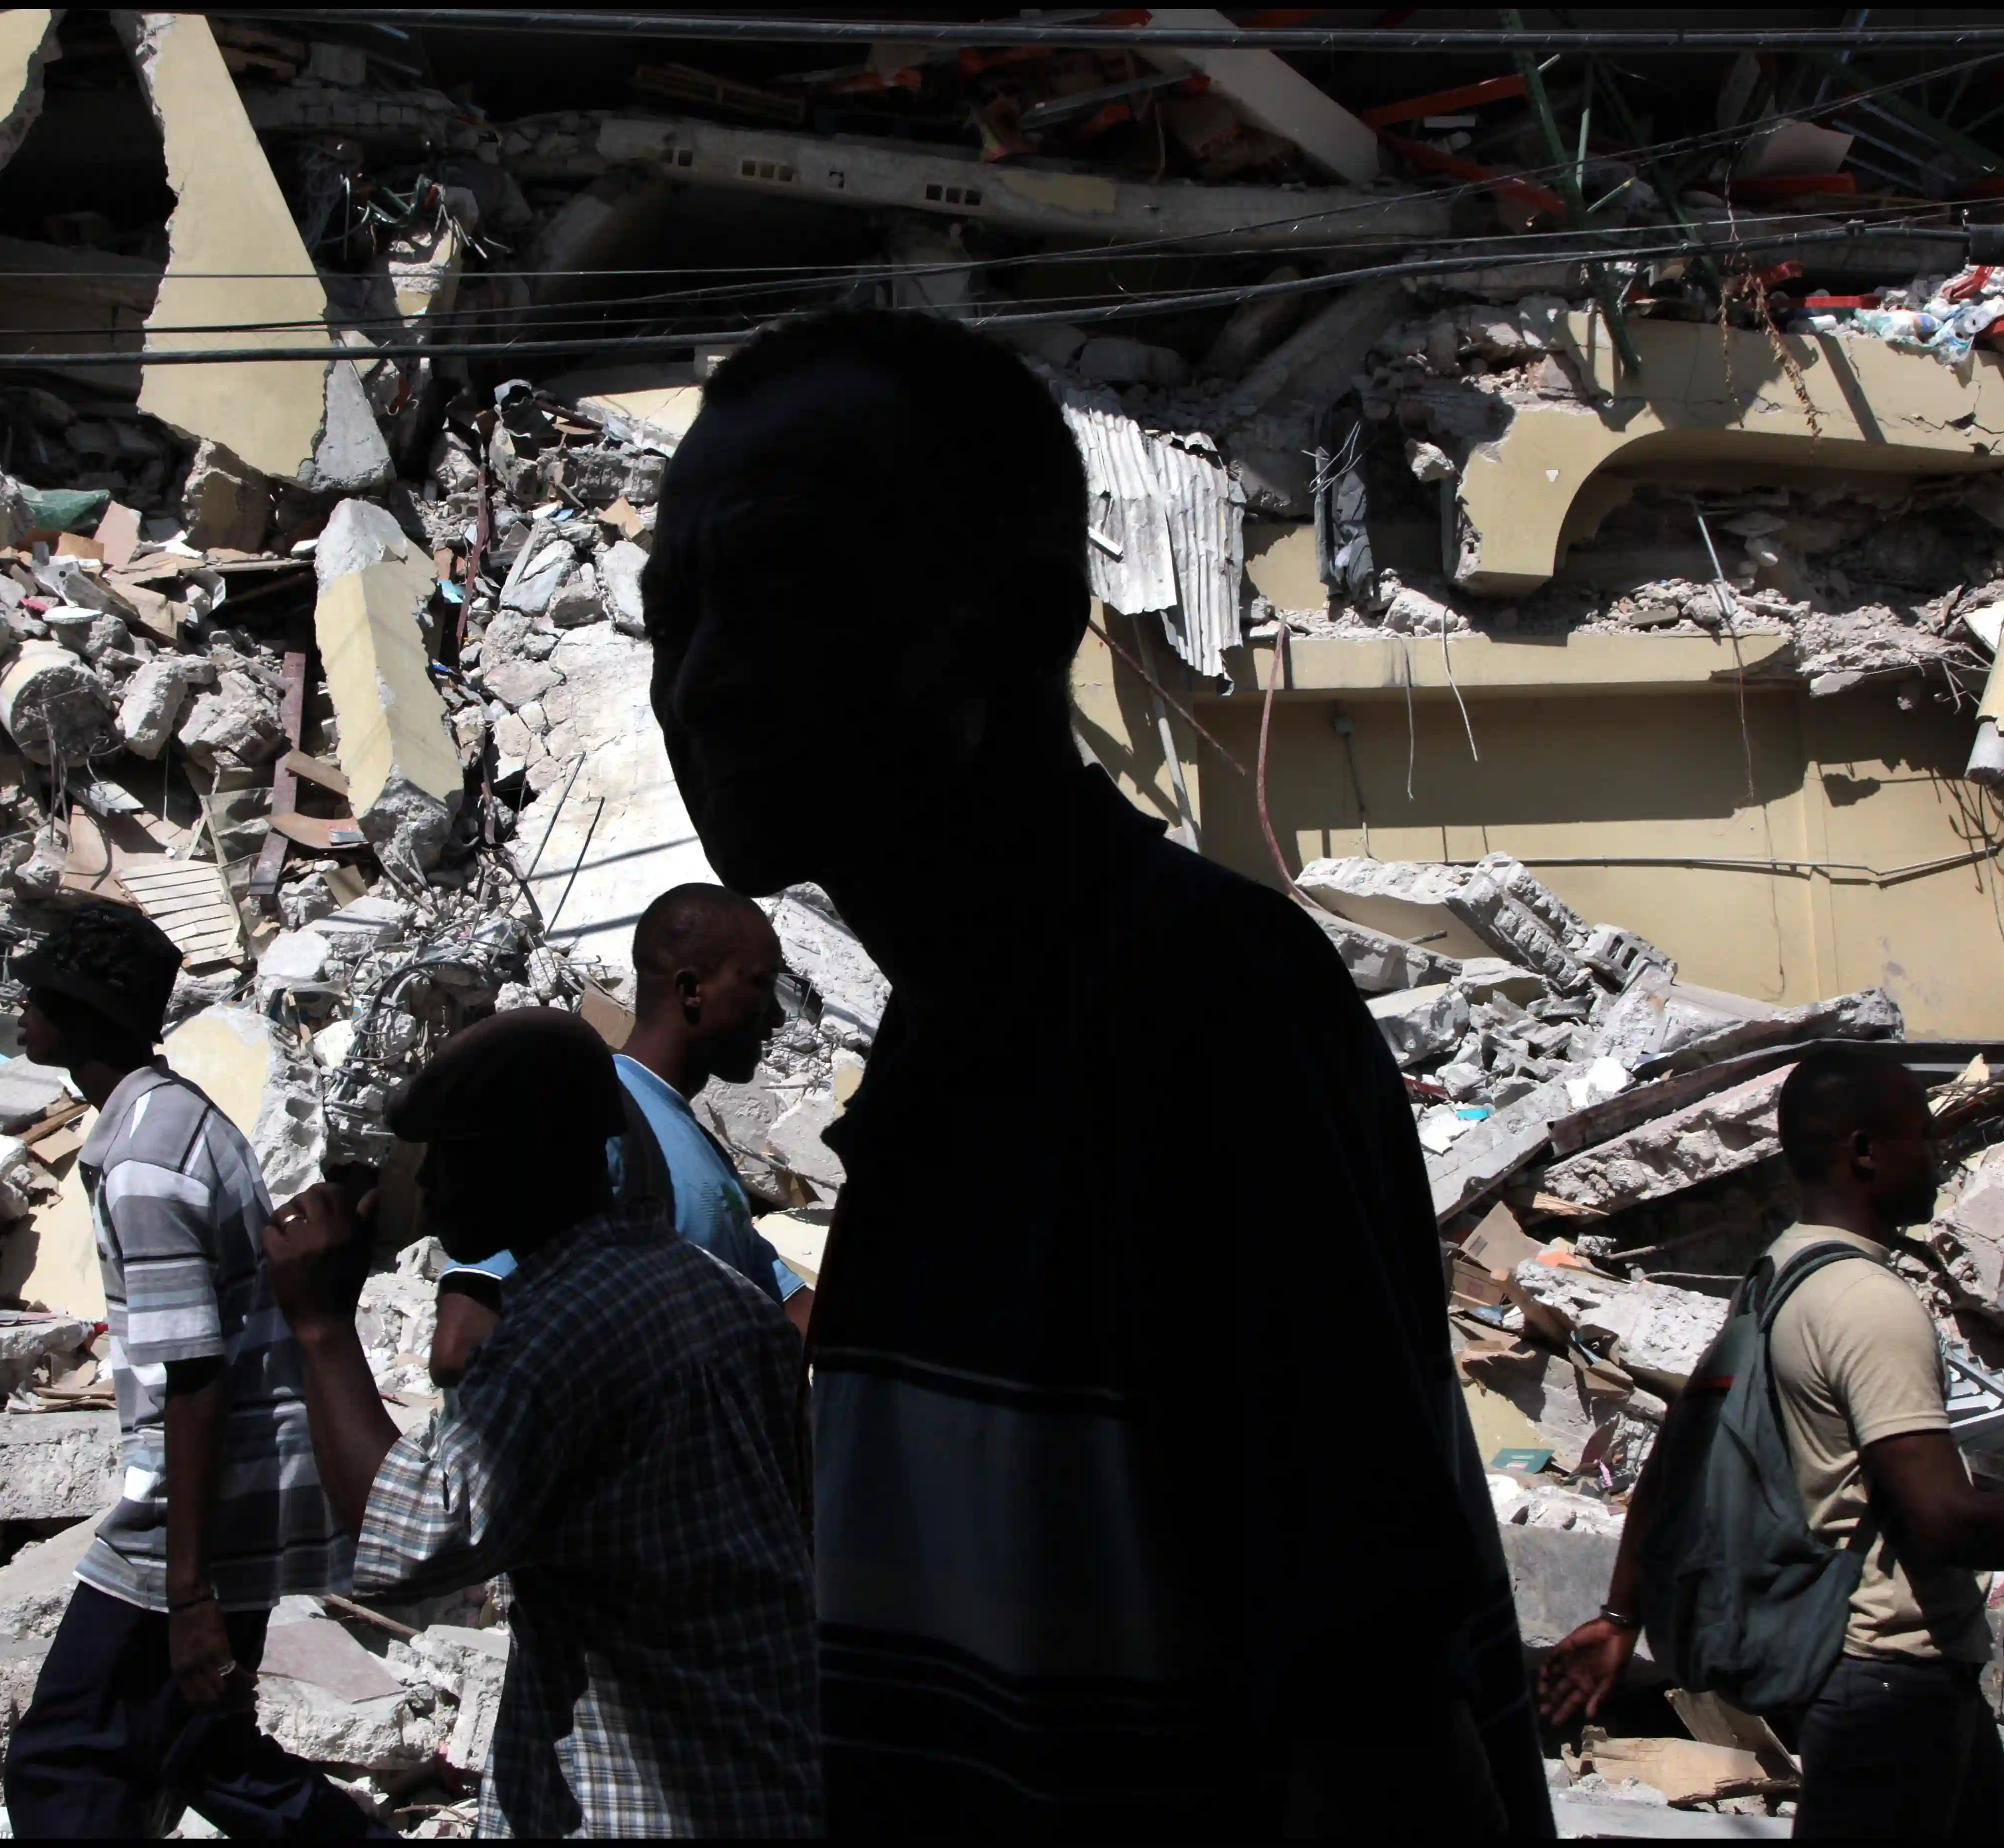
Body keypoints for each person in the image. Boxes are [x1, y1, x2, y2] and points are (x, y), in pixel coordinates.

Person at [642, 308, 1553, 1833]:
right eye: (674, 613)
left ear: (1002, 617)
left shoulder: (1193, 1013)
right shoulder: (947, 1048)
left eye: (782, 585)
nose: (705, 677)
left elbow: (1373, 1708)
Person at [1538, 1045, 2004, 1840]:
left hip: (1889, 1680)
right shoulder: (1867, 1302)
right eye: (1921, 1136)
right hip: (1888, 1685)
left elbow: (1674, 1463)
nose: (1937, 1154)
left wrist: (1621, 1613)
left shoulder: (1778, 1276)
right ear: (1863, 1149)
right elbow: (1942, 1518)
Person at [262, 1009, 821, 1837]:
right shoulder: (717, 1289)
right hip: (763, 1758)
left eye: (452, 1157)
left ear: (524, 1158)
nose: (435, 1187)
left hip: (638, 1792)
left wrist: (321, 1329)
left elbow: (408, 1541)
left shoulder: (556, 1331)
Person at [0, 904, 382, 1840]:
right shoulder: (167, 1121)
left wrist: (188, 1590)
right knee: (199, 1746)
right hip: (223, 1503)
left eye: (38, 992)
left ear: (78, 1012)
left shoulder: (145, 1160)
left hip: (188, 1514)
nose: (20, 1006)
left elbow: (195, 1368)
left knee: (68, 1764)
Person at [432, 883, 812, 1376]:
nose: (778, 1018)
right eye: (761, 985)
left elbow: (787, 1307)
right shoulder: (592, 1116)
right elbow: (462, 1347)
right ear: (692, 989)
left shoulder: (702, 1152)